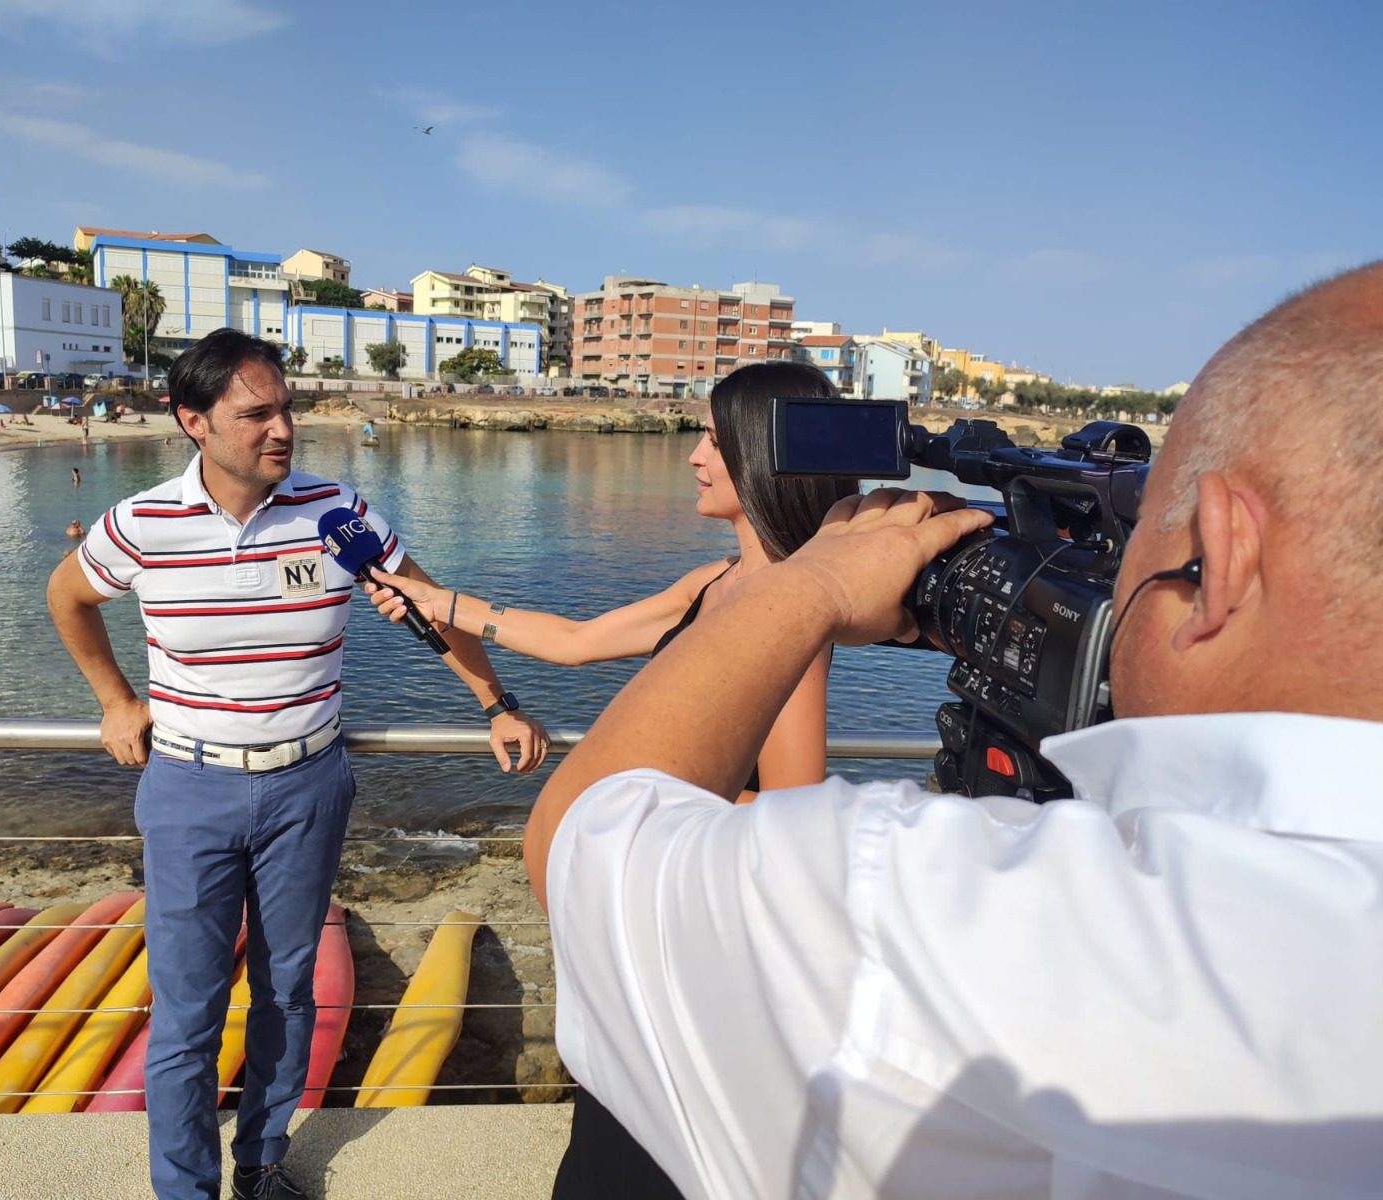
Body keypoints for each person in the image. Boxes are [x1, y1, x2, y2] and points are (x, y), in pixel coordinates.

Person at [525, 263, 1383, 1200]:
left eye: (1132, 545)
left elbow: (582, 842)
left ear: (1224, 553)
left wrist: (813, 584)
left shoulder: (946, 910)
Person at [46, 329, 550, 1200]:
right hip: (189, 787)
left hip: (308, 787)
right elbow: (67, 596)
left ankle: (262, 1165)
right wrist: (115, 700)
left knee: (286, 992)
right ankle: (184, 1189)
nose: (282, 429)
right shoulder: (141, 523)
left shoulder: (336, 513)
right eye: (257, 414)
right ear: (194, 421)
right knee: (189, 1009)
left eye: (287, 409)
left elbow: (431, 607)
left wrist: (496, 703)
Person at [367, 361, 857, 1198]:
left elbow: (791, 818)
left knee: (645, 1153)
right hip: (662, 912)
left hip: (709, 934)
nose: (694, 456)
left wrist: (628, 782)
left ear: (765, 456)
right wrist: (437, 602)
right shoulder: (717, 582)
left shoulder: (789, 612)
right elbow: (576, 639)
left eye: (714, 439)